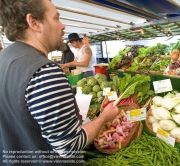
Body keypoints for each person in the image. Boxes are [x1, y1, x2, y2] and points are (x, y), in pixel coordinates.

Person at [0, 1, 119, 166]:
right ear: (33, 22)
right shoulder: (45, 71)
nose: (63, 26)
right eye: (56, 18)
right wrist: (104, 117)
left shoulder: (4, 58)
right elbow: (70, 146)